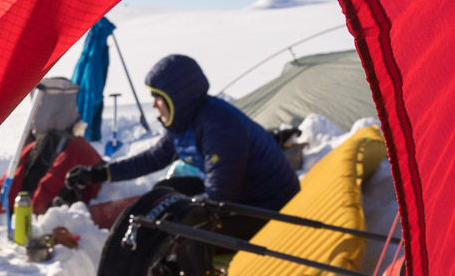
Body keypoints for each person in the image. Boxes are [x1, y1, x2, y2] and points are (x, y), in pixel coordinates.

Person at [67, 54, 299, 239]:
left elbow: (219, 198)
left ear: (177, 98)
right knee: (165, 192)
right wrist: (99, 173)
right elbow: (152, 159)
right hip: (243, 197)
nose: (154, 105)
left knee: (174, 228)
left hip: (269, 211)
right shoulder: (187, 121)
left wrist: (180, 216)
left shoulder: (219, 126)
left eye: (158, 98)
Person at [0, 77, 105, 216]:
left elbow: (50, 184)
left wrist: (29, 212)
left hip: (54, 210)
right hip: (35, 202)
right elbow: (16, 174)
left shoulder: (74, 148)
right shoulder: (42, 144)